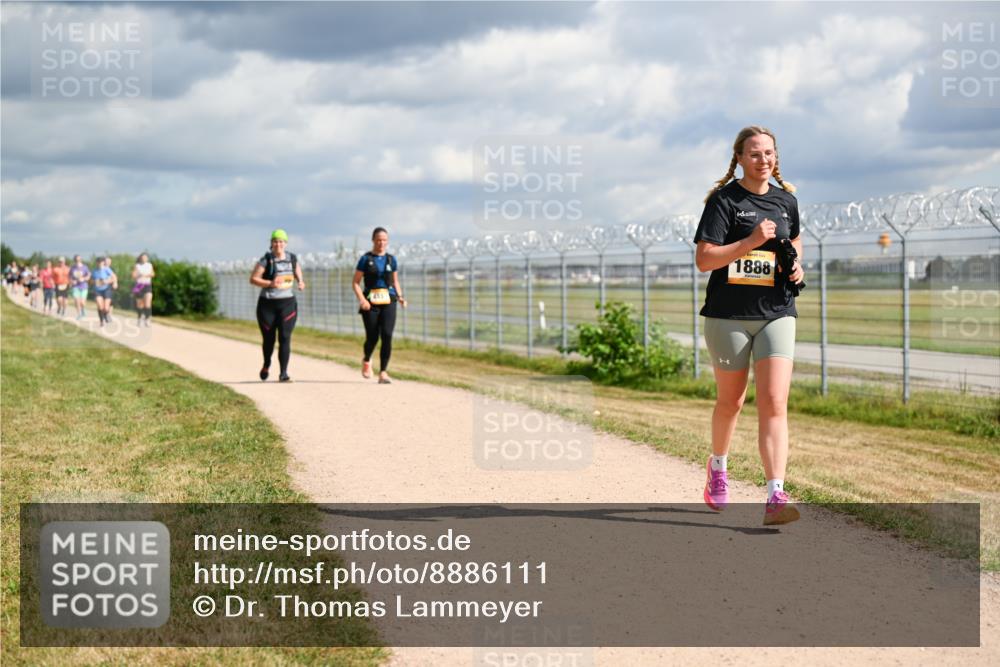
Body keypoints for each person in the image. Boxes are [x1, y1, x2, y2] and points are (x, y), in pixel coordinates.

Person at [694, 125, 805, 526]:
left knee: (775, 403)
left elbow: (795, 245)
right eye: (755, 153)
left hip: (777, 311)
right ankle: (718, 467)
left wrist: (796, 267)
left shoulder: (786, 201)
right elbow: (705, 260)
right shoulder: (724, 201)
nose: (763, 160)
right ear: (739, 158)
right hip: (728, 317)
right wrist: (751, 241)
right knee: (732, 401)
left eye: (769, 153)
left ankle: (776, 494)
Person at [249, 229, 305, 382]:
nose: (278, 244)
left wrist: (300, 281)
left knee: (285, 337)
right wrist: (270, 283)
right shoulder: (266, 260)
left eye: (281, 241)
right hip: (267, 305)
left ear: (285, 243)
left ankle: (283, 373)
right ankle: (267, 363)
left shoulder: (292, 258)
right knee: (269, 340)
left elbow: (297, 269)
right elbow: (253, 279)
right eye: (275, 241)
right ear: (271, 243)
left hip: (287, 303)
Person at [353, 226, 407, 384]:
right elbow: (355, 282)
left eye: (384, 240)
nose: (381, 243)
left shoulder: (391, 260)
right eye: (378, 240)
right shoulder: (366, 259)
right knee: (372, 337)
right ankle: (367, 359)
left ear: (387, 241)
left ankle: (383, 372)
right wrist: (362, 299)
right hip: (370, 303)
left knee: (387, 335)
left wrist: (401, 296)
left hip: (389, 300)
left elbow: (395, 281)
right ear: (373, 240)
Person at [92, 257, 118, 326]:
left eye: (101, 262)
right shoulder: (94, 271)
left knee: (106, 308)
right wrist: (95, 281)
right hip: (98, 290)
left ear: (103, 263)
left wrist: (112, 282)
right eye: (98, 262)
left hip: (106, 289)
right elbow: (91, 280)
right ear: (97, 263)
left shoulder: (107, 269)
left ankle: (106, 314)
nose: (100, 264)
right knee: (100, 306)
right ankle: (101, 321)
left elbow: (114, 277)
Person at [132, 253, 155, 326]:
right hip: (139, 285)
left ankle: (147, 319)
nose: (144, 259)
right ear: (140, 258)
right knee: (140, 304)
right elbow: (133, 275)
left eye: (145, 257)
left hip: (147, 285)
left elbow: (153, 274)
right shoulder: (137, 265)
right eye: (143, 257)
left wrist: (146, 275)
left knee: (147, 303)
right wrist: (139, 275)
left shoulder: (149, 265)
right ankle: (139, 318)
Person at [68, 255, 91, 320]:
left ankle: (83, 310)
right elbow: (69, 276)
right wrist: (72, 281)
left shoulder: (85, 267)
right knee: (77, 301)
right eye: (76, 260)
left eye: (79, 260)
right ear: (74, 260)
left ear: (81, 260)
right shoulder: (72, 268)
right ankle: (79, 314)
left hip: (84, 286)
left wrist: (84, 279)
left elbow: (89, 275)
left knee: (82, 303)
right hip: (75, 287)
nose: (77, 261)